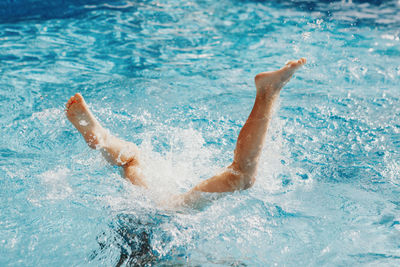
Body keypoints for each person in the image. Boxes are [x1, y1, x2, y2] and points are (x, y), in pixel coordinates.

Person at [65, 58, 306, 206]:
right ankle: (104, 139)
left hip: (156, 222)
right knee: (132, 159)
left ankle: (267, 92)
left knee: (242, 176)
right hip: (153, 219)